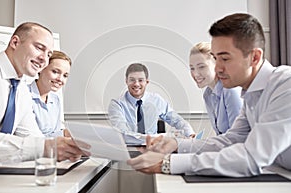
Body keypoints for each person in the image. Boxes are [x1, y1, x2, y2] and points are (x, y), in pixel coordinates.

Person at [127, 13, 291, 177]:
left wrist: (168, 164)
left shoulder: (285, 85)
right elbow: (230, 140)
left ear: (254, 57)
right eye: (215, 58)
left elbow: (251, 158)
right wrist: (175, 143)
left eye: (225, 59)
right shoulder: (250, 94)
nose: (218, 68)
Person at [0, 22, 86, 162]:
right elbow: (40, 146)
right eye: (39, 48)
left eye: (48, 54)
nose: (44, 59)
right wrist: (46, 147)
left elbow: (31, 136)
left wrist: (66, 148)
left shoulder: (20, 88)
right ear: (15, 42)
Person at [108, 63, 195, 138]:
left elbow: (177, 120)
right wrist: (160, 137)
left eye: (140, 80)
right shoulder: (116, 104)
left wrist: (189, 133)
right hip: (129, 149)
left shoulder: (156, 100)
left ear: (147, 82)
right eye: (132, 80)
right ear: (126, 81)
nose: (136, 84)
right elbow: (123, 134)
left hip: (152, 149)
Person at [189, 42, 242, 135]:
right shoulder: (208, 94)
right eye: (192, 68)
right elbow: (220, 136)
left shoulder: (231, 90)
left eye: (201, 67)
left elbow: (238, 137)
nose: (195, 74)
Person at [29, 50, 71, 137]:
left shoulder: (55, 100)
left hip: (52, 149)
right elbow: (29, 138)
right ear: (41, 69)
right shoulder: (24, 94)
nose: (60, 79)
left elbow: (55, 132)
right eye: (55, 72)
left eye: (65, 75)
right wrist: (64, 134)